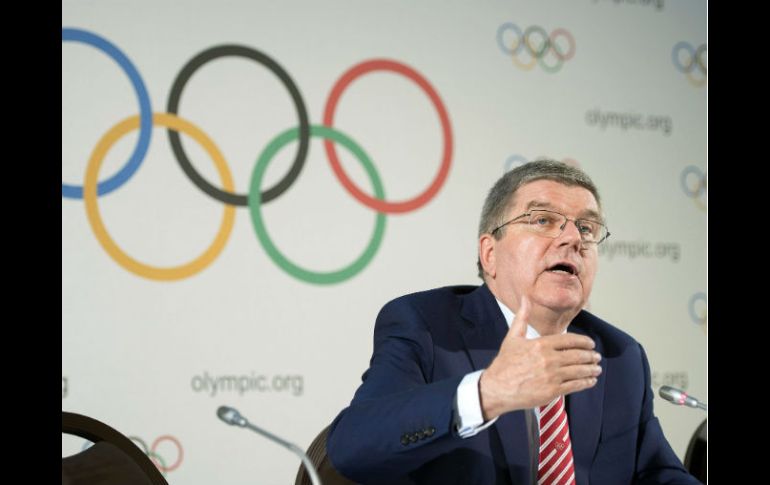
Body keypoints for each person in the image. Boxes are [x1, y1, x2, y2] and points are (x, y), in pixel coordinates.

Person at [326, 160, 700, 484]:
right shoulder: (425, 327)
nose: (573, 238)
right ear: (489, 253)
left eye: (587, 228)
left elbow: (657, 474)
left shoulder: (619, 355)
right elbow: (353, 448)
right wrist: (487, 393)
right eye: (543, 220)